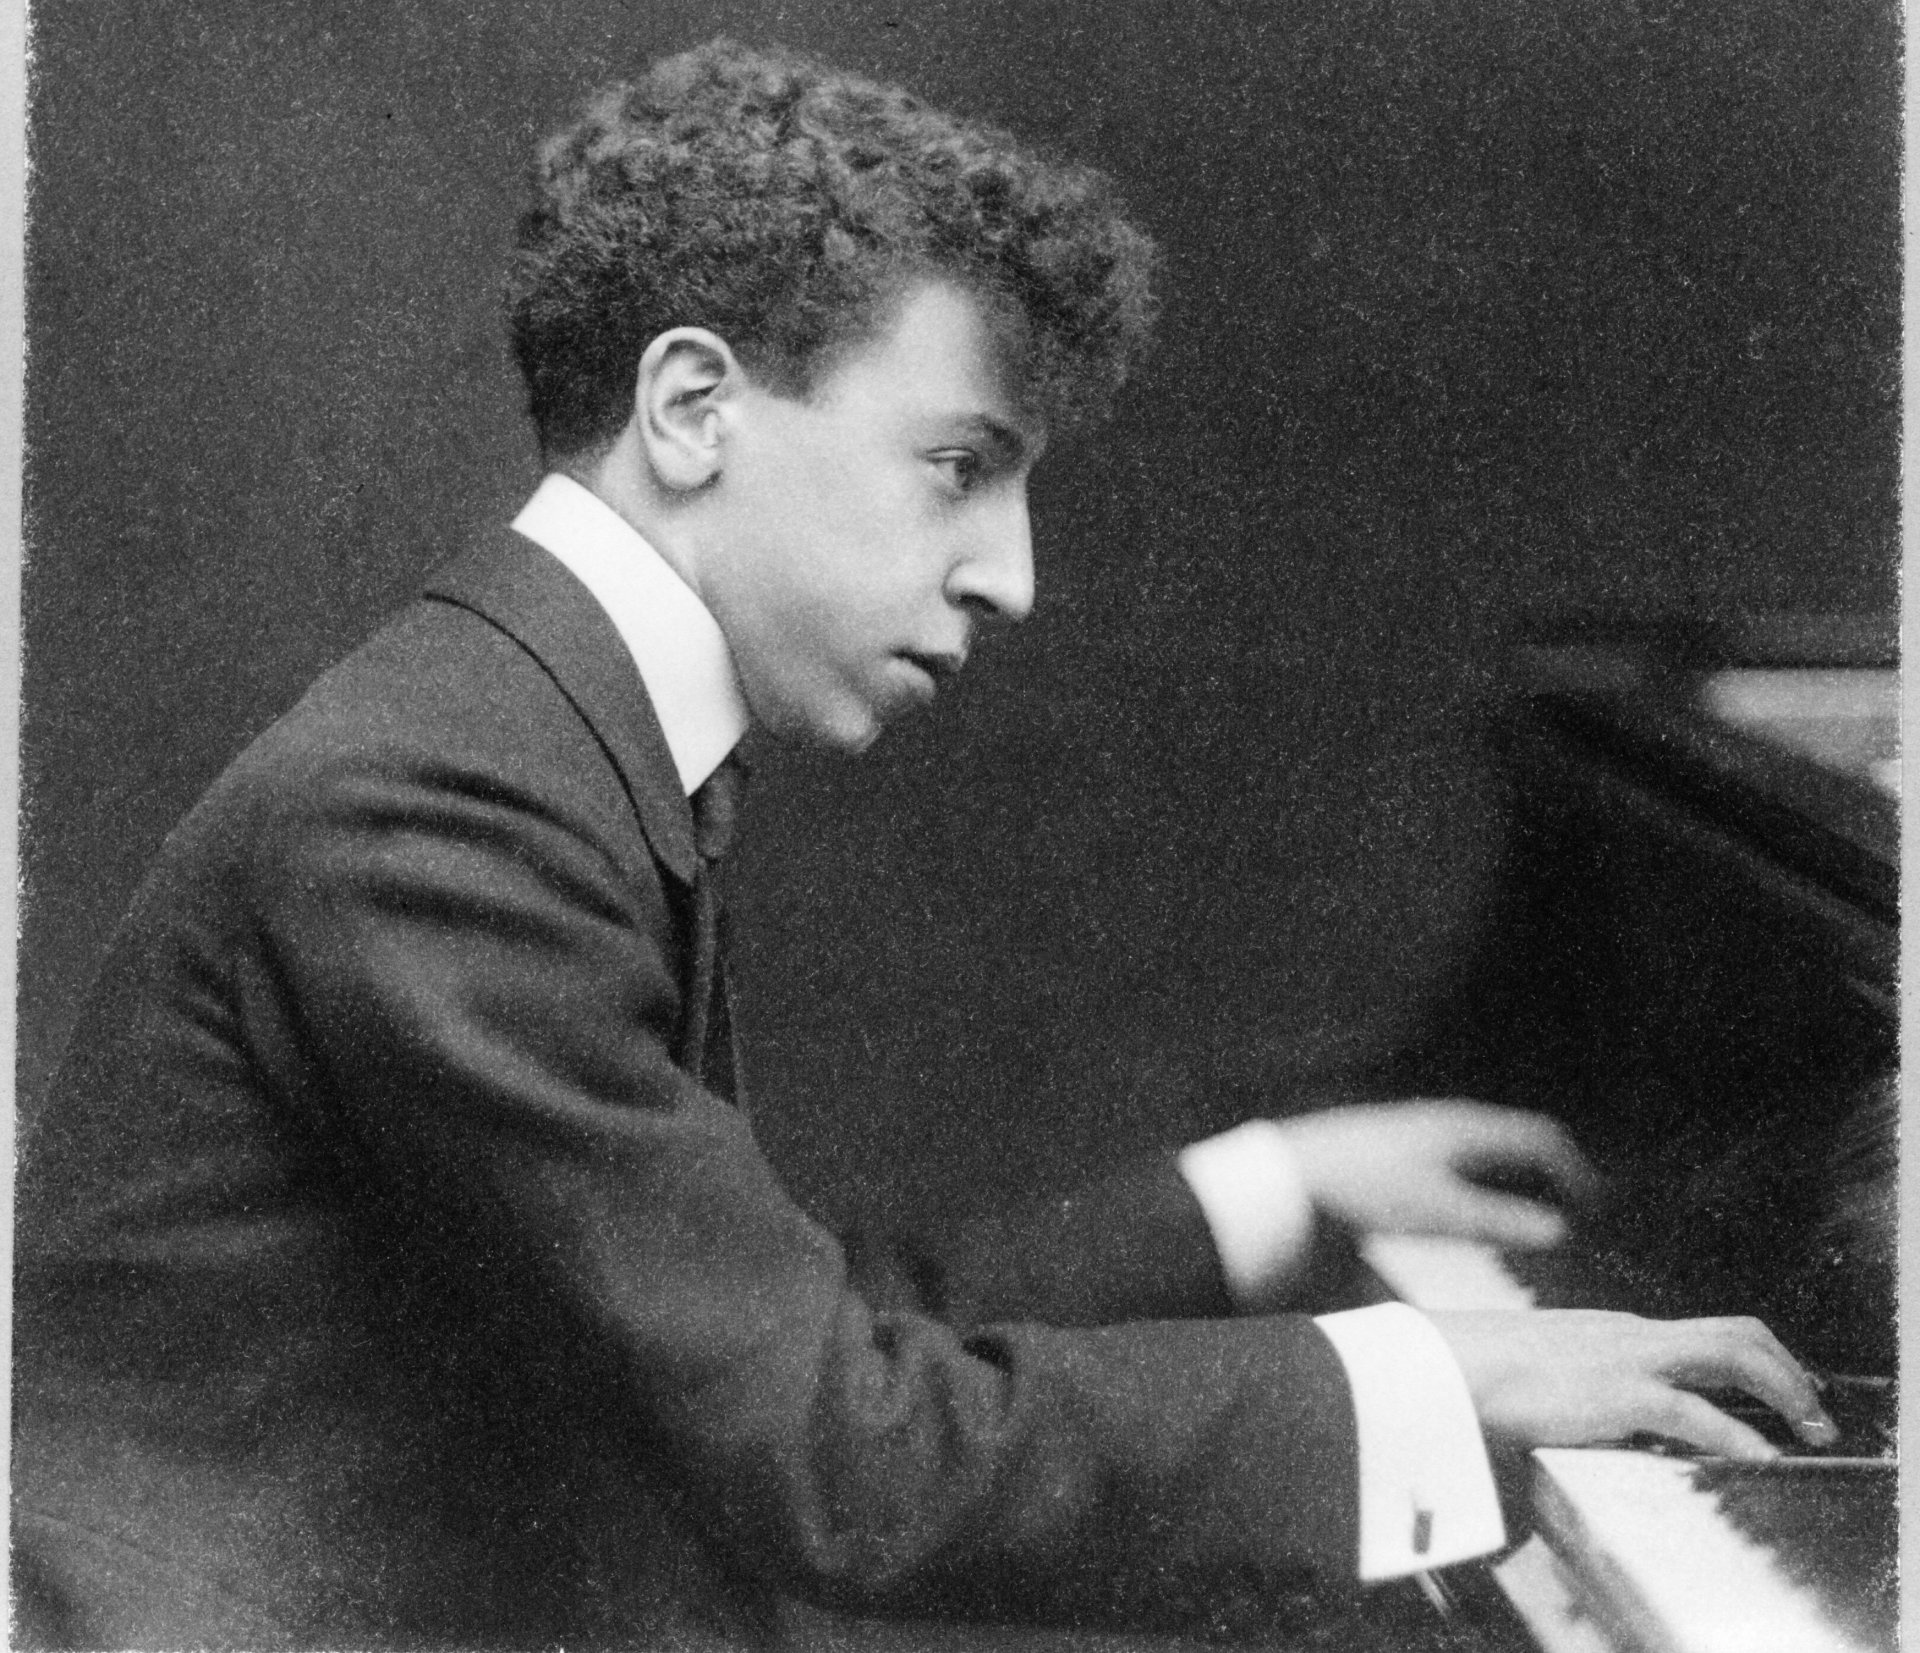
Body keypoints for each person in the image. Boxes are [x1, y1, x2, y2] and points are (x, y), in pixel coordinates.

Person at [11, 37, 1836, 1651]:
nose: (1011, 576)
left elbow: (789, 1324)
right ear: (694, 408)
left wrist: (1277, 1180)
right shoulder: (443, 811)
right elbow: (839, 1448)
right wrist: (1422, 1388)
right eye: (960, 466)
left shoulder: (533, 735)